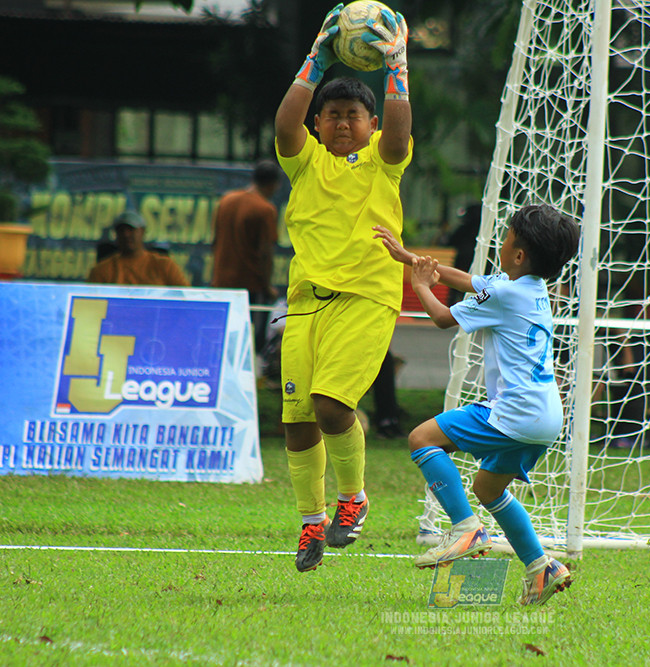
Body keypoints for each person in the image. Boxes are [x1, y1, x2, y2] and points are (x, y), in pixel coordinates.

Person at [375, 204, 581, 606]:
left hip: (514, 413)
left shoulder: (504, 294)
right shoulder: (530, 288)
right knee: (488, 487)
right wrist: (411, 258)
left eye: (506, 239)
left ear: (518, 255)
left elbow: (441, 317)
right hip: (545, 417)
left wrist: (419, 285)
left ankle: (465, 529)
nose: (501, 244)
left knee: (422, 438)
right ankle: (542, 567)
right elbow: (471, 281)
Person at [274, 4, 412, 573]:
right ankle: (311, 522)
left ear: (369, 123)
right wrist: (315, 60)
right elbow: (285, 126)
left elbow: (402, 132)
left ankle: (352, 498)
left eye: (353, 113)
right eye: (330, 114)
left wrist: (397, 67)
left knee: (333, 406)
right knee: (298, 420)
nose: (340, 122)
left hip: (366, 299)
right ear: (318, 123)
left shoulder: (382, 162)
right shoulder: (304, 162)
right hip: (306, 305)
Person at [212, 159, 282, 352]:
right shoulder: (265, 209)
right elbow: (265, 253)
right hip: (250, 287)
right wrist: (267, 286)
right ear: (273, 184)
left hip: (221, 283)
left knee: (224, 338)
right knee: (249, 343)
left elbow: (215, 241)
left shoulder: (226, 200)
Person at [87, 211, 190, 286]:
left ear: (143, 231)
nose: (126, 234)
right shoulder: (101, 270)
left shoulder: (165, 266)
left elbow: (185, 297)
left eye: (131, 230)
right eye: (121, 230)